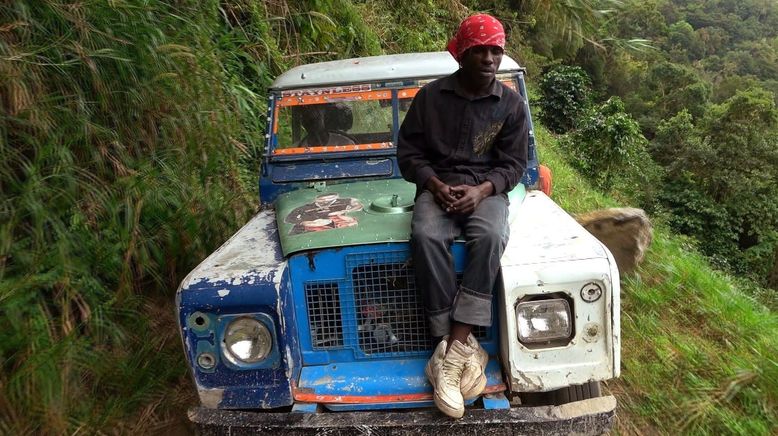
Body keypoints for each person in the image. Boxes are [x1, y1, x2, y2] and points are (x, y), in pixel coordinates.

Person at [397, 14, 528, 419]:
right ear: (463, 54)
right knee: (425, 234)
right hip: (438, 187)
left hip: (485, 189)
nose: (490, 58)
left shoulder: (511, 105)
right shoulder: (431, 97)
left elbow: (513, 165)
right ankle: (449, 348)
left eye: (496, 50)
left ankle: (454, 348)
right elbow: (409, 154)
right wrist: (435, 186)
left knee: (489, 236)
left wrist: (483, 191)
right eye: (480, 50)